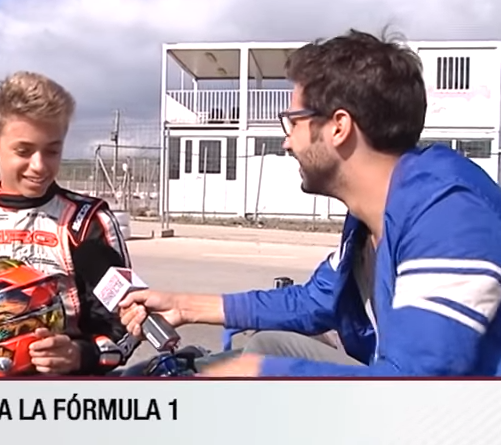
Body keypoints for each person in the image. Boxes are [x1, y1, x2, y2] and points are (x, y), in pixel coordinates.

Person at [119, 29, 501, 377]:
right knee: (269, 345)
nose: (287, 142)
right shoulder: (368, 218)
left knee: (255, 367)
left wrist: (261, 374)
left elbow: (418, 391)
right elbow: (312, 301)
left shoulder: (448, 214)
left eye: (294, 122)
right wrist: (184, 306)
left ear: (339, 127)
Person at [0, 71, 137, 376]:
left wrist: (80, 354)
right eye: (23, 151)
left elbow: (128, 326)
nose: (39, 165)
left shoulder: (88, 223)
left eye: (52, 151)